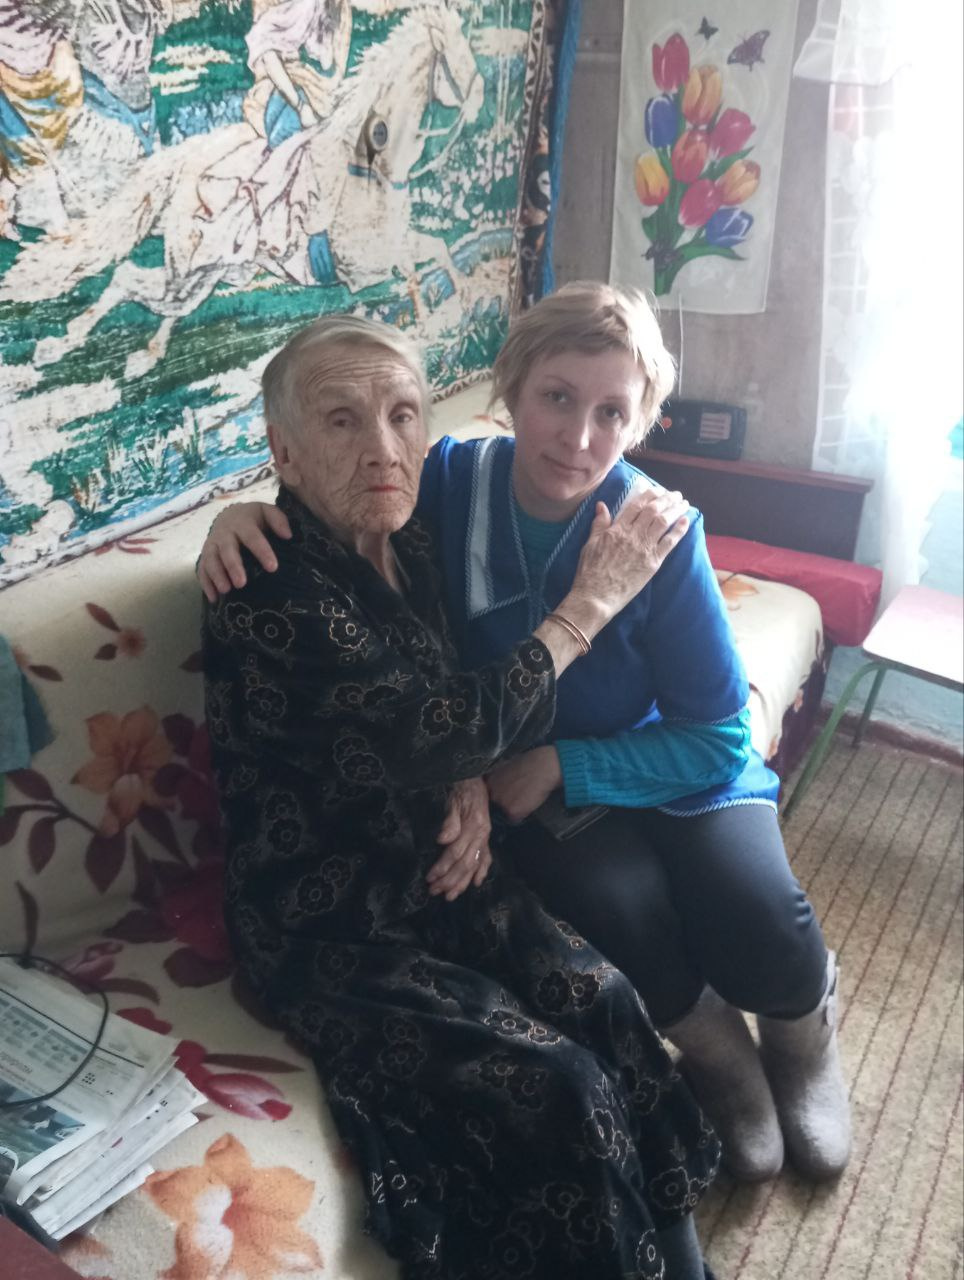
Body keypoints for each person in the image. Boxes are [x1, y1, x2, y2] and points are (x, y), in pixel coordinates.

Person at [198, 282, 852, 1185]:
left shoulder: (658, 530)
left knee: (758, 912)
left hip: (666, 762)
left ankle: (802, 1035)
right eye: (557, 397)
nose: (578, 438)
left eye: (611, 412)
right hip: (514, 781)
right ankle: (716, 1051)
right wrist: (235, 515)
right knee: (616, 909)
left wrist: (559, 762)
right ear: (511, 389)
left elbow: (714, 737)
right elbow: (335, 503)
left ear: (640, 422)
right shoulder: (444, 487)